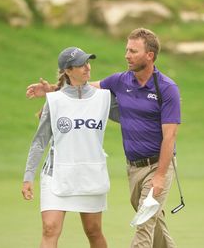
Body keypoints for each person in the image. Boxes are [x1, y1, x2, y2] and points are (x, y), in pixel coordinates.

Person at [26, 28, 181, 248]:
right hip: (134, 167)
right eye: (127, 49)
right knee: (154, 221)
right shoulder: (119, 81)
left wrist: (160, 176)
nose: (126, 55)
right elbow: (84, 89)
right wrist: (53, 89)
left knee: (145, 222)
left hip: (159, 165)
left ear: (150, 55)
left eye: (133, 51)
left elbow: (170, 136)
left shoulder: (166, 88)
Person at [22, 46, 115, 248]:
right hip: (56, 174)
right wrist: (28, 176)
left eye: (87, 62)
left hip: (90, 174)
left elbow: (133, 116)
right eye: (80, 65)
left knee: (93, 231)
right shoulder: (54, 101)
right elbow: (40, 141)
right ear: (68, 71)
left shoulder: (104, 98)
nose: (87, 67)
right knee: (50, 228)